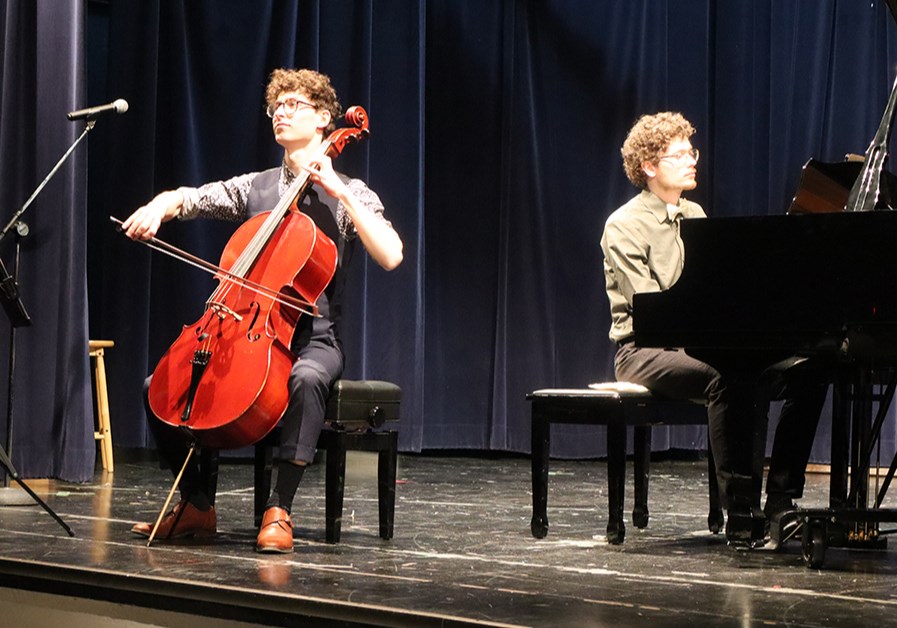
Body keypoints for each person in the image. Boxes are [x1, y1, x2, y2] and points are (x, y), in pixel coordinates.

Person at [122, 68, 403, 553]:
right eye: (277, 105)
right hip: (243, 330)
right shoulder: (257, 187)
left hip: (314, 340)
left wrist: (339, 191)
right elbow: (193, 198)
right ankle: (196, 504)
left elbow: (391, 254)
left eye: (295, 105)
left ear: (323, 119)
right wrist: (160, 205)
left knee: (306, 380)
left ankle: (279, 509)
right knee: (161, 385)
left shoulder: (350, 194)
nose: (281, 112)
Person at [600, 111, 827, 547]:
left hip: (700, 339)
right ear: (649, 166)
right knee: (724, 376)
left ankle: (780, 500)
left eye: (692, 151)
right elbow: (651, 309)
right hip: (644, 349)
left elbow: (716, 289)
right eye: (679, 154)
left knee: (809, 369)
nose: (691, 161)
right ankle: (741, 511)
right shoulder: (624, 224)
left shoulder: (696, 213)